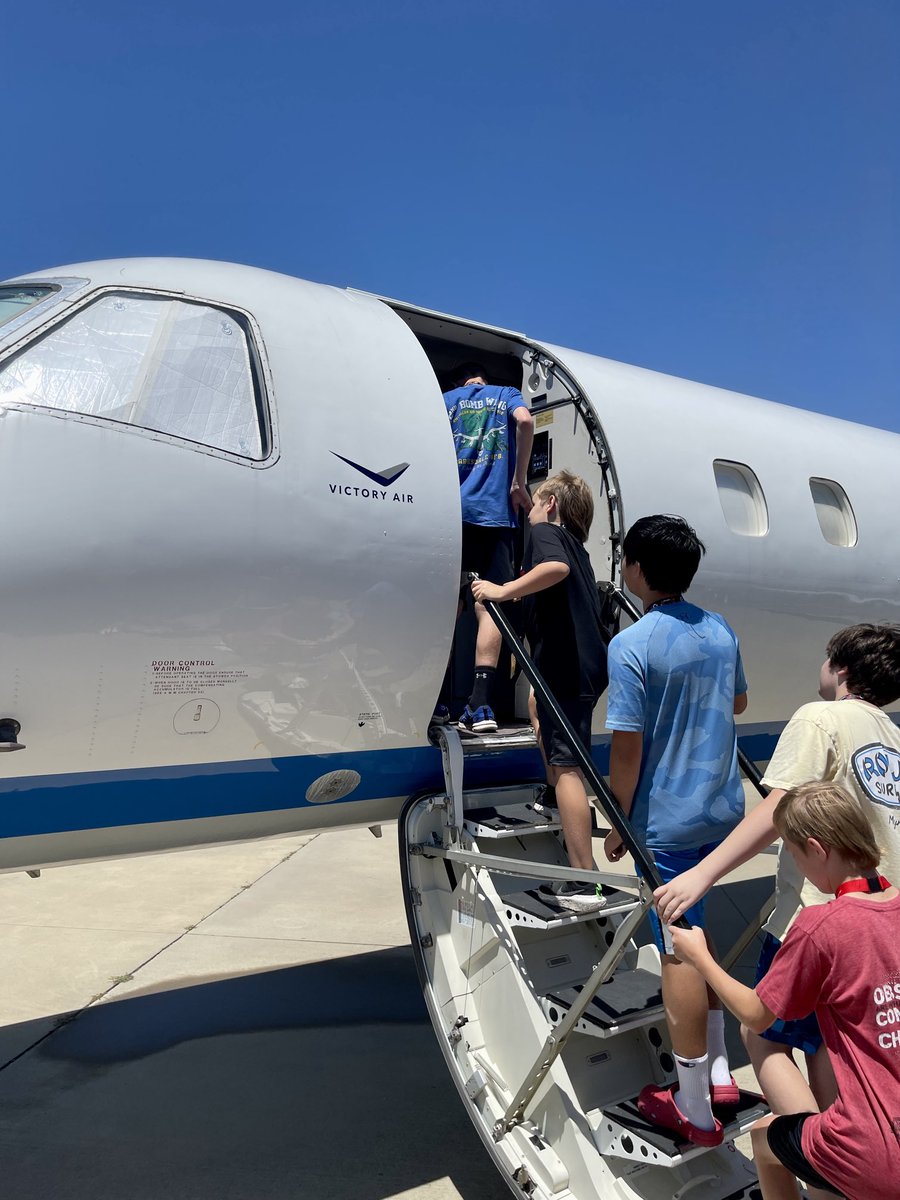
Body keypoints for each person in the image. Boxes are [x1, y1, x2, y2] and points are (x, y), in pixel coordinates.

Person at [654, 623, 900, 1130]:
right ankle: (842, 1151)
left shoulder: (820, 717)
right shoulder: (892, 735)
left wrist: (701, 875)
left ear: (841, 669)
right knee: (830, 1043)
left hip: (819, 917)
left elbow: (780, 806)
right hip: (881, 917)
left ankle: (816, 1152)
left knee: (763, 1035)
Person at [671, 781, 900, 1200]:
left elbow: (758, 1015)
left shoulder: (820, 927)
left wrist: (700, 958)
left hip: (877, 1155)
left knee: (765, 1139)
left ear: (817, 849)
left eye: (793, 855)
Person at [603, 514, 749, 1146]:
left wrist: (618, 821)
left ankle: (691, 1107)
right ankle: (717, 1074)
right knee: (699, 934)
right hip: (720, 814)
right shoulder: (718, 629)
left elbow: (627, 748)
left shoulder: (632, 645)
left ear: (636, 569)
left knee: (678, 949)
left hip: (664, 821)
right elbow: (737, 703)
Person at [471, 471, 608, 912]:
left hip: (567, 672)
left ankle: (585, 881)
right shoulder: (579, 548)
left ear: (550, 504)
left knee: (569, 767)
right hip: (579, 668)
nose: (529, 510)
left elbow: (554, 570)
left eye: (534, 502)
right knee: (536, 711)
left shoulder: (547, 533)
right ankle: (553, 803)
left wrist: (502, 589)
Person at [443, 363, 533, 734]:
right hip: (495, 514)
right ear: (484, 379)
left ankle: (437, 702)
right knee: (489, 605)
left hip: (453, 514)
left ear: (461, 382)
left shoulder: (447, 401)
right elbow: (525, 423)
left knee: (451, 604)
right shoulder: (506, 394)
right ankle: (480, 705)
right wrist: (519, 481)